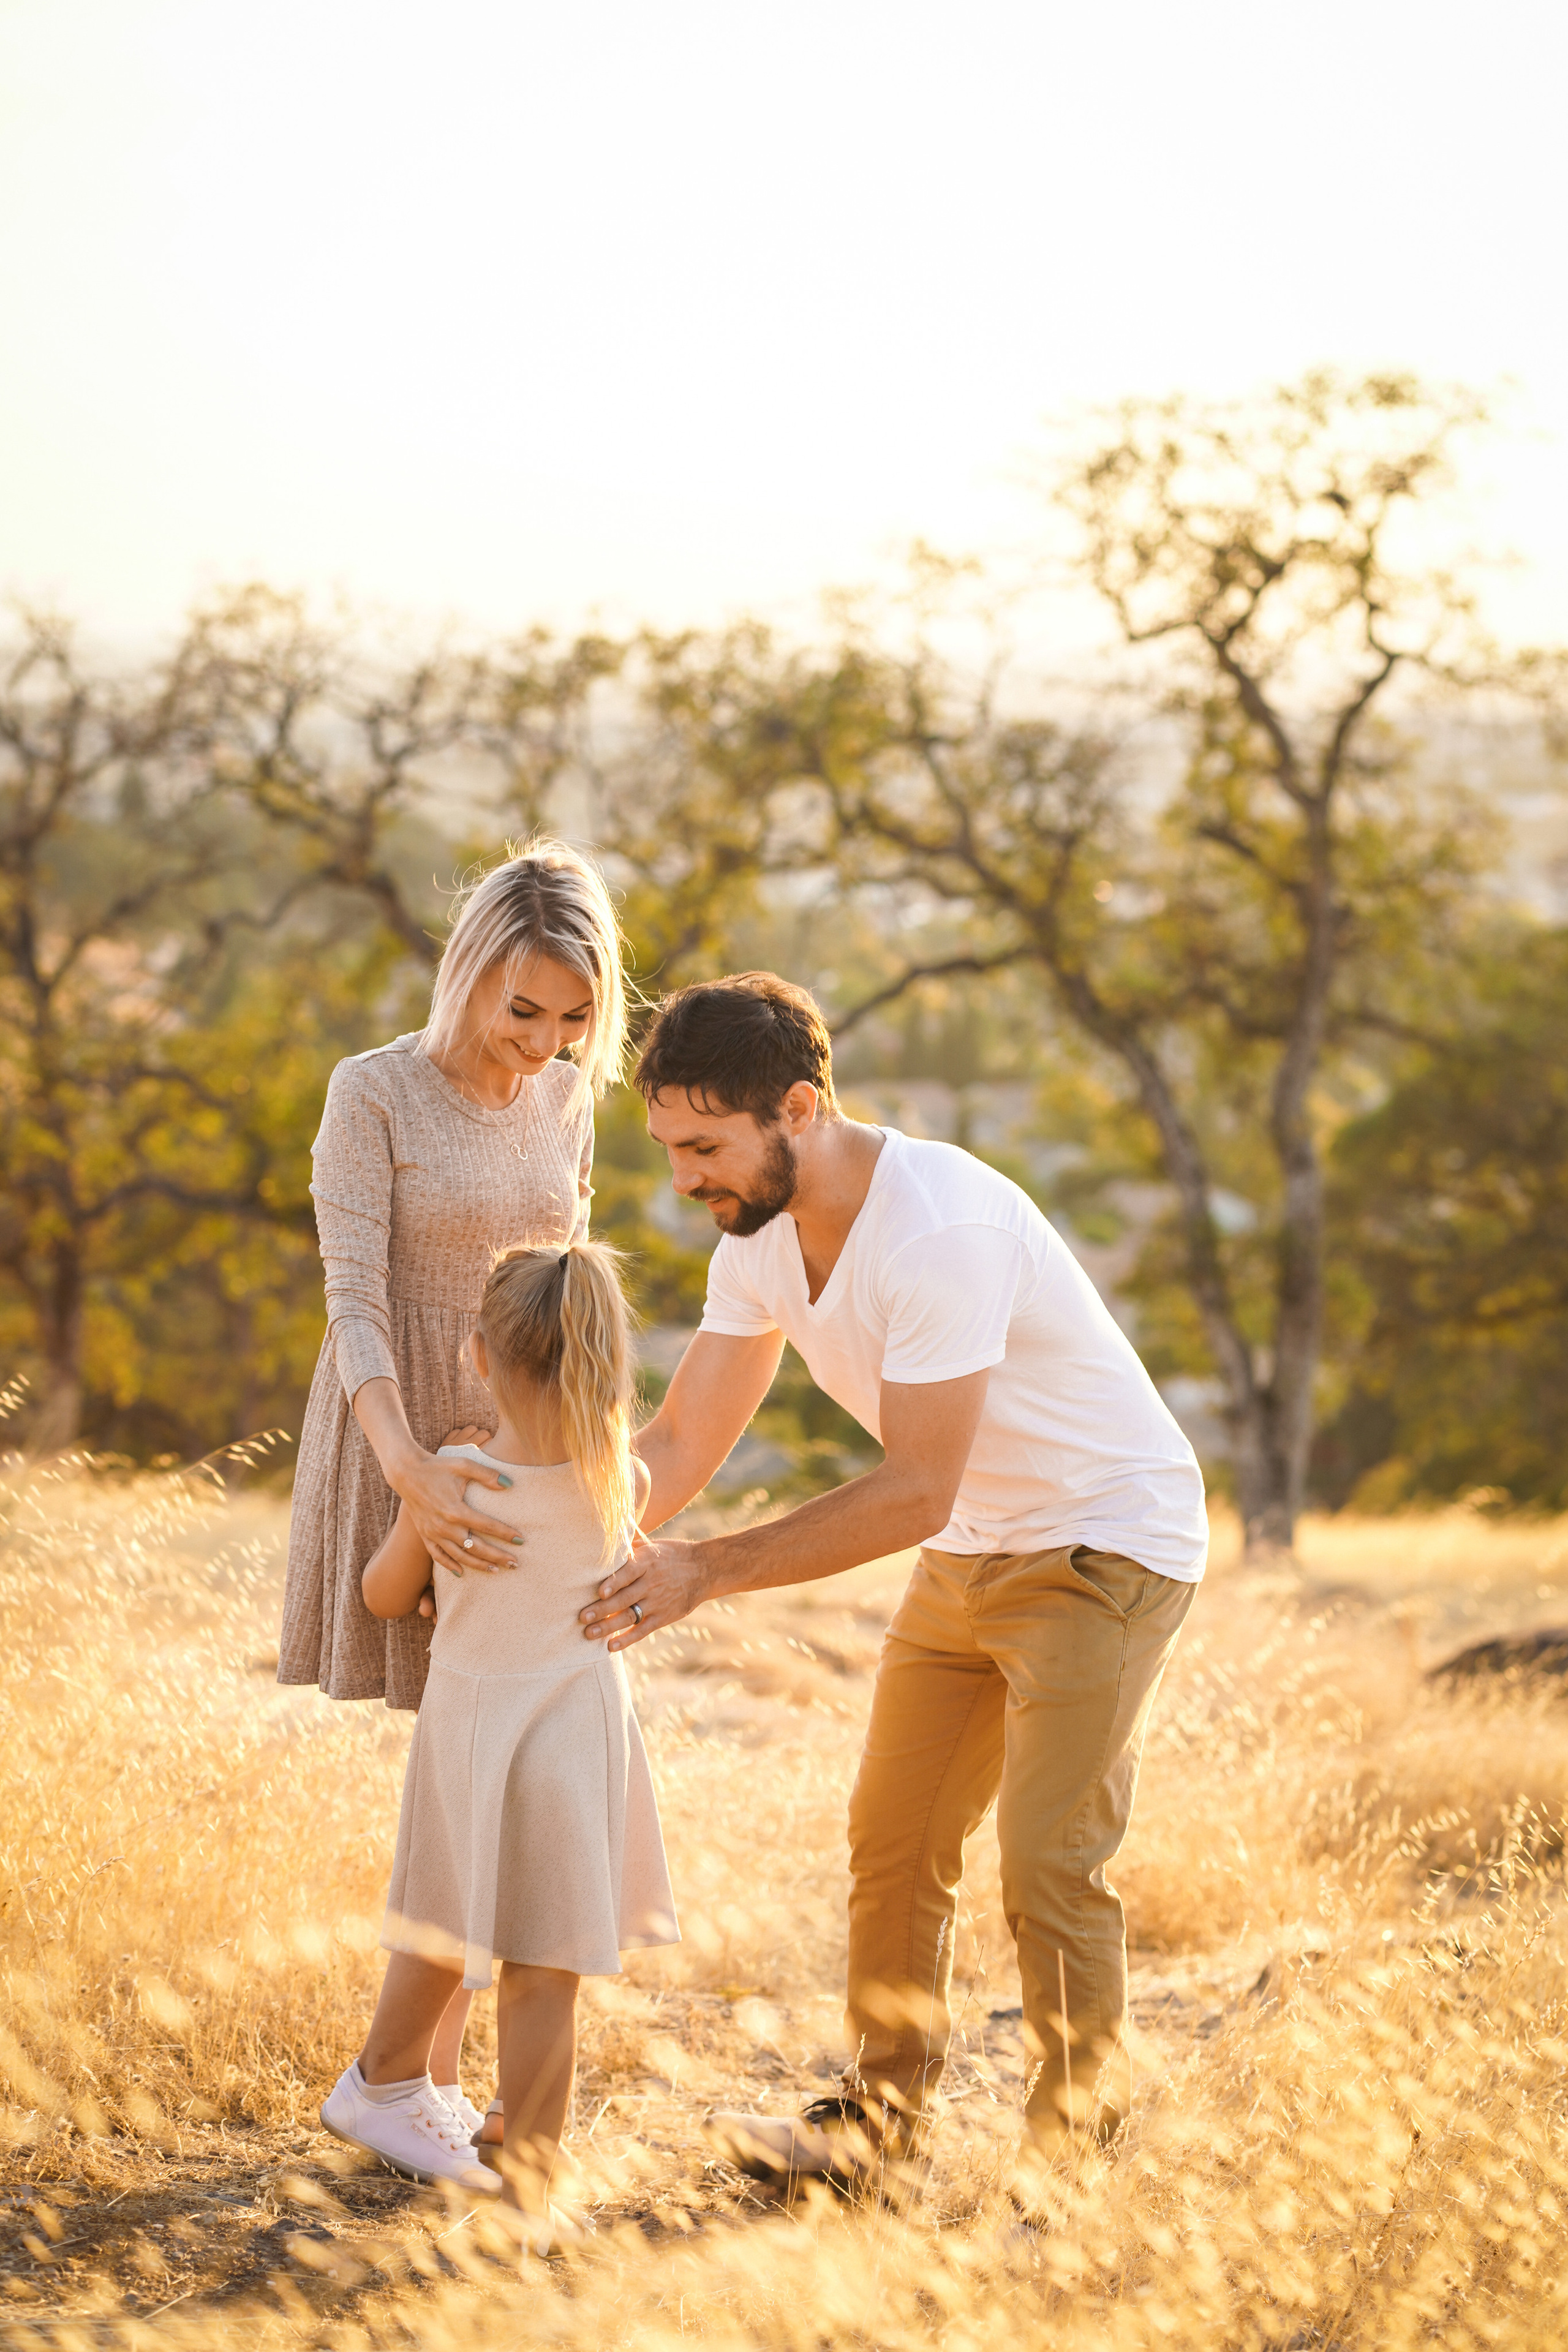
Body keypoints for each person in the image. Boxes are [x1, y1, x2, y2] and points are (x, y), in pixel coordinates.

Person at [578, 971, 1207, 2198]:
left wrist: (702, 1573)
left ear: (799, 1108)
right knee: (894, 1841)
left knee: (1044, 1860)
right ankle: (873, 2135)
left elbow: (913, 1487)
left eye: (704, 1147)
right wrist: (572, 1539)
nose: (683, 1179)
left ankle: (1070, 2171)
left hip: (1100, 1547)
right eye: (667, 1148)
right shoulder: (758, 1233)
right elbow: (679, 1445)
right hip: (969, 1550)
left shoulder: (937, 1230)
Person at [278, 836, 629, 2125]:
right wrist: (410, 1475)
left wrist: (574, 1460)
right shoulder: (370, 1092)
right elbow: (353, 1300)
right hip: (408, 1434)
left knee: (494, 1763)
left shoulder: (566, 1099)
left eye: (573, 1018)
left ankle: (419, 2076)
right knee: (470, 1764)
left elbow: (568, 1282)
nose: (541, 1042)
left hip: (523, 1454)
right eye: (521, 1007)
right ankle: (394, 2078)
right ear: (470, 972)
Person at [320, 1241, 679, 2246]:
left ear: (477, 1355)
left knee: (442, 1914)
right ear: (608, 1363)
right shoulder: (625, 1483)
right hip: (574, 1741)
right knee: (545, 1975)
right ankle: (528, 2188)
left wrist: (427, 1547)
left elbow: (385, 1597)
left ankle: (385, 2082)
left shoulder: (456, 1481)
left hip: (476, 1732)